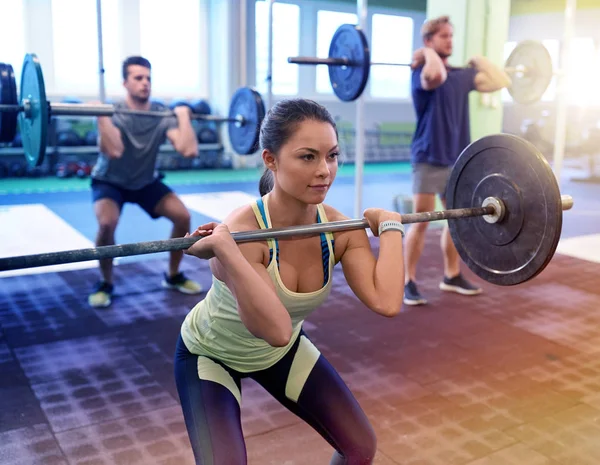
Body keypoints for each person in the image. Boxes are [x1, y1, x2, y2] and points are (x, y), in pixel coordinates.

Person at [175, 98, 405, 464]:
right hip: (211, 354)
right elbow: (276, 327)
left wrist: (391, 227)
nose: (325, 170)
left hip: (280, 353)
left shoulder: (339, 229)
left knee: (360, 447)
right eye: (308, 157)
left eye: (332, 155)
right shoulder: (244, 232)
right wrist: (228, 251)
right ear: (271, 159)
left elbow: (387, 301)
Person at [404, 15, 512, 306]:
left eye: (452, 36)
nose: (450, 41)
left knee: (456, 219)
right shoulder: (421, 73)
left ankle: (451, 275)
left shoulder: (461, 76)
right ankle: (408, 281)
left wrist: (479, 59)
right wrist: (427, 54)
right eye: (443, 37)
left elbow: (503, 80)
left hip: (457, 157)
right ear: (429, 41)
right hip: (429, 156)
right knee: (421, 219)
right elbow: (435, 76)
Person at [88, 56, 202, 308]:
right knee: (107, 223)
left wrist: (183, 116)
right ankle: (106, 281)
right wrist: (100, 116)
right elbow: (115, 151)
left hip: (144, 181)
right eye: (138, 78)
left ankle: (172, 276)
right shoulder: (114, 113)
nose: (145, 83)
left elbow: (188, 150)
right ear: (125, 83)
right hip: (110, 181)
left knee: (182, 217)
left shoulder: (161, 114)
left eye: (148, 78)